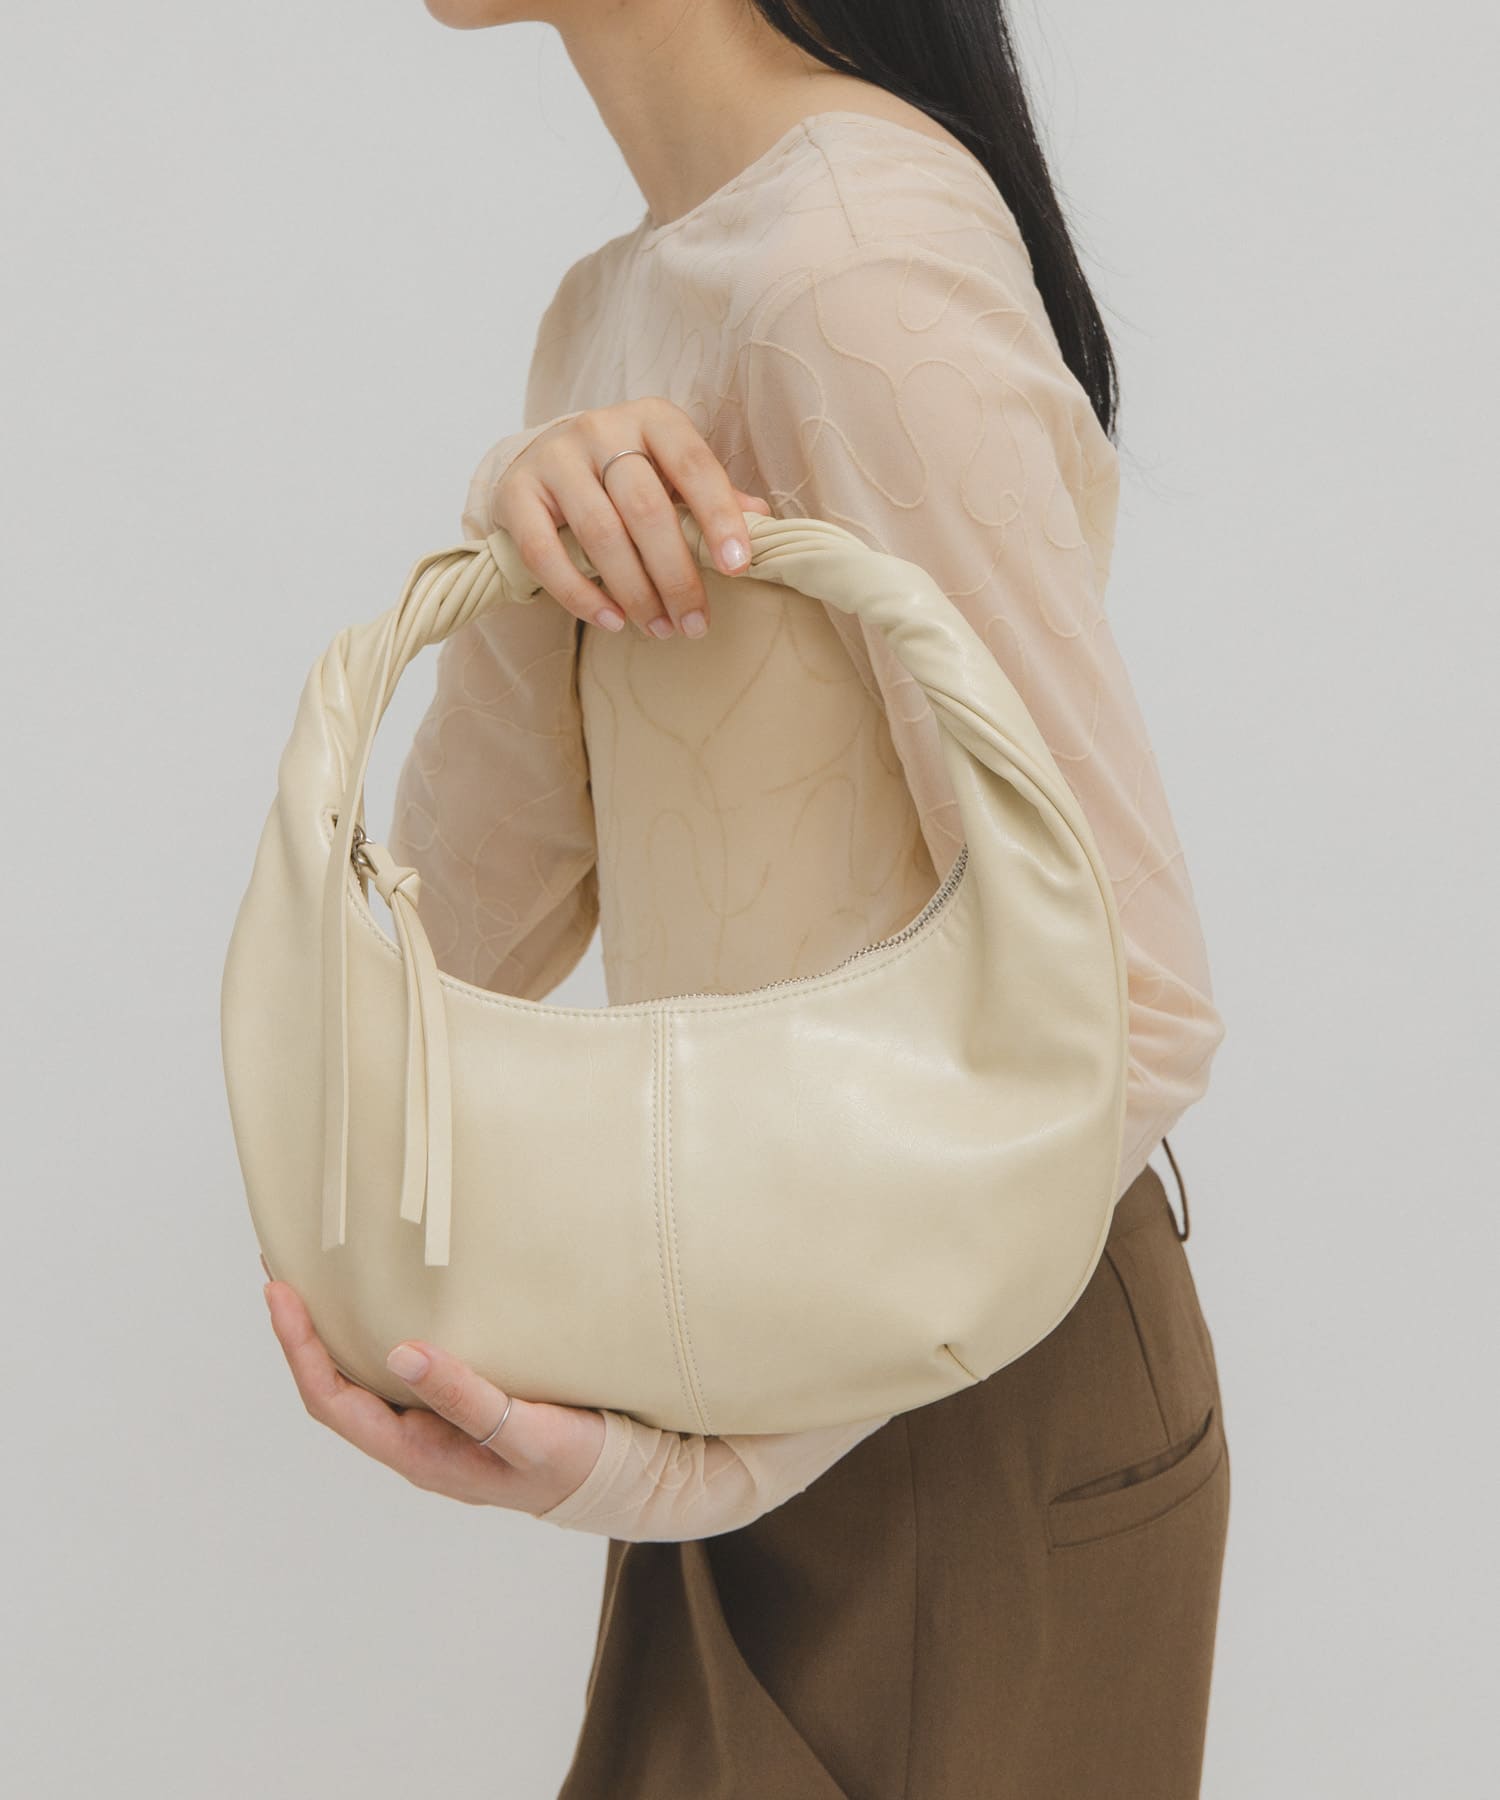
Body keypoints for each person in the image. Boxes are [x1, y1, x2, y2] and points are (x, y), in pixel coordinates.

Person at [261, 2, 1232, 1792]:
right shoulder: (625, 299)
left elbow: (1137, 1001)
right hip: (767, 1344)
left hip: (967, 1399)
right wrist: (520, 532)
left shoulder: (856, 275)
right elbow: (452, 959)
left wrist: (690, 1467)